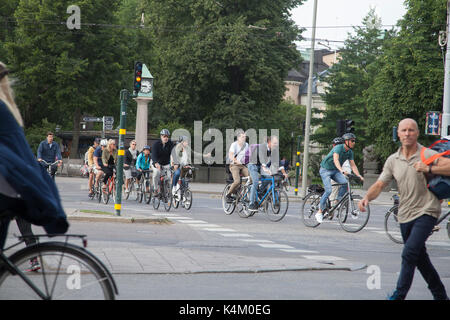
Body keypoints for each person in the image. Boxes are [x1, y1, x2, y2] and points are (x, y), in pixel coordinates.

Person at [358, 118, 450, 300]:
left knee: (409, 253)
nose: (407, 133)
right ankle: (440, 296)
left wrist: (429, 167)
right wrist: (367, 197)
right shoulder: (393, 160)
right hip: (405, 214)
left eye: (411, 130)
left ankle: (398, 296)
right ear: (398, 134)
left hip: (427, 211)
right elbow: (380, 184)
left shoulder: (426, 154)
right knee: (420, 258)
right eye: (404, 130)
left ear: (417, 133)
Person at [0, 61, 68, 253]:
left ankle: (32, 257)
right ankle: (32, 257)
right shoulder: (9, 108)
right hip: (14, 186)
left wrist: (57, 158)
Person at [315, 133, 364, 223]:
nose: (354, 142)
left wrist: (359, 175)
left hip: (335, 170)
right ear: (346, 141)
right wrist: (341, 170)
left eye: (354, 141)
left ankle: (338, 201)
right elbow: (336, 160)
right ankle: (319, 212)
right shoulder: (338, 148)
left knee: (345, 183)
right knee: (329, 190)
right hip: (325, 170)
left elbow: (353, 165)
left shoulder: (349, 152)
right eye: (352, 141)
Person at [245, 135, 279, 212]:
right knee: (256, 182)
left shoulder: (272, 150)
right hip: (252, 164)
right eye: (275, 143)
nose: (276, 145)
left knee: (270, 178)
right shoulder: (262, 147)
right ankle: (251, 203)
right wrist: (264, 167)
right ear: (269, 142)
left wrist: (277, 169)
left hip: (260, 166)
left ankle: (259, 192)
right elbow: (261, 158)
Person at [225, 131, 249, 202]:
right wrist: (236, 161)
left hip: (243, 165)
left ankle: (244, 194)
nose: (244, 138)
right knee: (237, 181)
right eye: (242, 137)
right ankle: (228, 195)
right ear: (238, 138)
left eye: (245, 137)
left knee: (250, 179)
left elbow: (247, 155)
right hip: (234, 165)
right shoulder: (234, 145)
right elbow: (231, 155)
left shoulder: (246, 145)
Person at [151, 129, 175, 194]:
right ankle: (155, 189)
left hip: (166, 163)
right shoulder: (156, 144)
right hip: (156, 162)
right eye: (164, 136)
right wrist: (156, 163)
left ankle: (167, 191)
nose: (166, 138)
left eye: (167, 136)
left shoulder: (170, 143)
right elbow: (153, 155)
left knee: (169, 177)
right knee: (156, 173)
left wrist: (174, 162)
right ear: (161, 136)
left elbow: (173, 154)